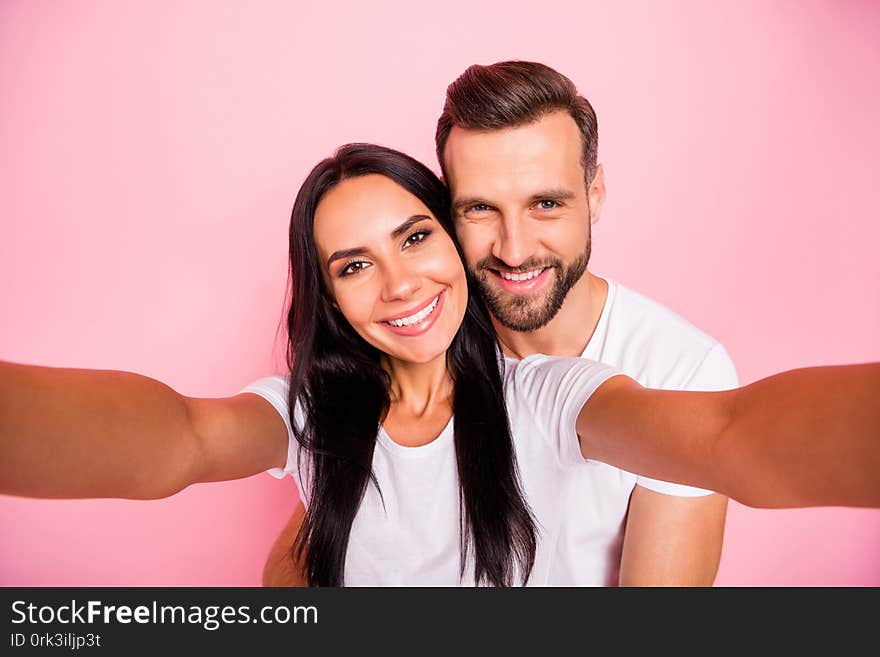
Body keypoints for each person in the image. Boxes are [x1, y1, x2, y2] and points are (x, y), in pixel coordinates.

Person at [2, 143, 878, 589]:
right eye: (352, 265)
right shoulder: (312, 418)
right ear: (331, 297)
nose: (398, 284)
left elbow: (730, 435)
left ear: (453, 243)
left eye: (416, 236)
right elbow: (180, 437)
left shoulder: (543, 392)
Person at [264, 60, 731, 586]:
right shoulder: (421, 325)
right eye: (481, 208)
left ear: (595, 193)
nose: (514, 250)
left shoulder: (680, 366)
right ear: (446, 208)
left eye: (546, 203)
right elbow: (324, 524)